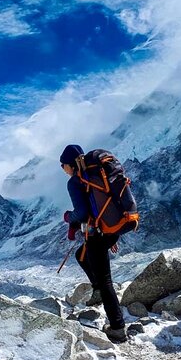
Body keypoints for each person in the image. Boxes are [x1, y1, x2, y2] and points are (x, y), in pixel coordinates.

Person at [60, 144, 127, 343]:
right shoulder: (97, 175)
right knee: (81, 255)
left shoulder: (76, 181)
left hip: (98, 235)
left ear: (70, 164)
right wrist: (112, 233)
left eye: (63, 165)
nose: (63, 169)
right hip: (108, 231)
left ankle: (117, 327)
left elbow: (81, 213)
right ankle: (97, 290)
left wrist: (68, 217)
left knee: (105, 279)